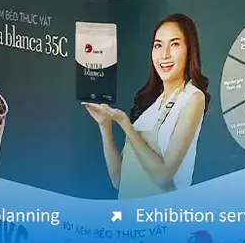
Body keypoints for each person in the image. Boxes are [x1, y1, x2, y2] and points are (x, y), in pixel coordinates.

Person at [84, 14, 208, 197]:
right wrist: (105, 125)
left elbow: (163, 177)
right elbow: (118, 179)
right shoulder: (151, 108)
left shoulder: (193, 98)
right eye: (158, 45)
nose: (164, 55)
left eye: (174, 44)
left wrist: (126, 124)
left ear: (190, 50)